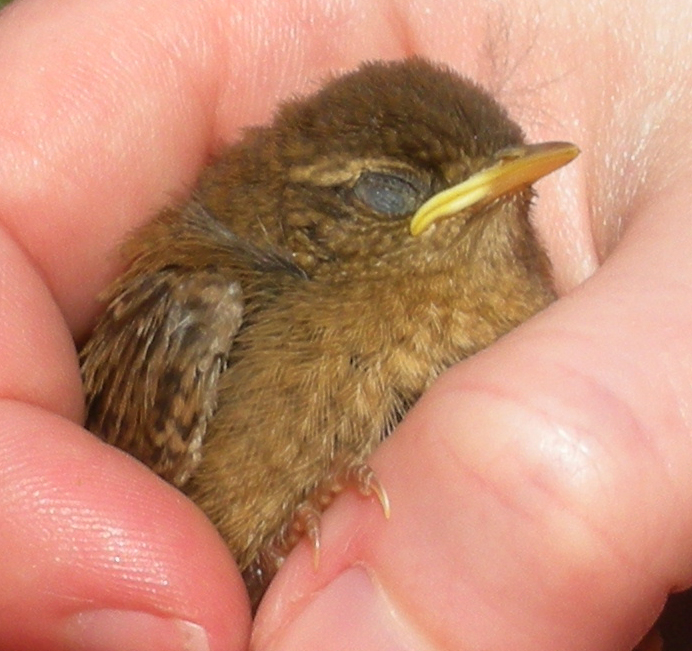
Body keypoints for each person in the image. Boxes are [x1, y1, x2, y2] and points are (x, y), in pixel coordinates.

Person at [0, 1, 690, 649]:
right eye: (390, 192)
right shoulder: (207, 304)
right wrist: (270, 554)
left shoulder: (537, 289)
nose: (513, 184)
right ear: (307, 222)